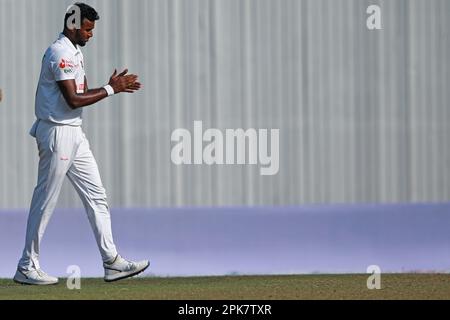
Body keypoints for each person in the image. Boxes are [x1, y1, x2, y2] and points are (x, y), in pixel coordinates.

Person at [14, 3, 149, 285]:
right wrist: (113, 89)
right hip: (57, 133)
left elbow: (82, 92)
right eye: (87, 29)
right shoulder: (60, 52)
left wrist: (107, 85)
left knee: (97, 195)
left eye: (92, 29)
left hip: (74, 132)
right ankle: (27, 265)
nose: (90, 34)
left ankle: (112, 262)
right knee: (46, 200)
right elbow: (72, 100)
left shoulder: (75, 52)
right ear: (73, 25)